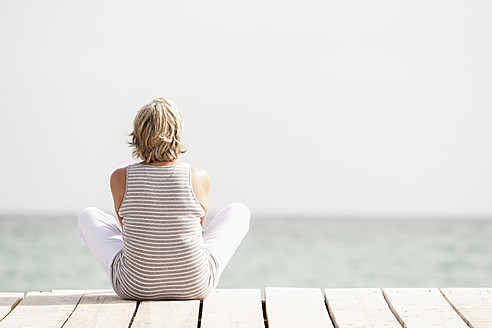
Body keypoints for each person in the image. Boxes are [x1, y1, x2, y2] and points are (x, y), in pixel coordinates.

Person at [77, 97, 251, 300]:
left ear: (138, 135)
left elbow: (127, 228)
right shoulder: (198, 176)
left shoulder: (120, 177)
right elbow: (198, 228)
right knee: (239, 211)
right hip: (195, 285)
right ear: (176, 134)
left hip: (133, 287)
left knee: (88, 215)